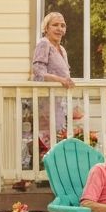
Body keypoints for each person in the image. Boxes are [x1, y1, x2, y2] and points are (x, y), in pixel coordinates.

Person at [31, 11, 75, 154]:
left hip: (59, 102)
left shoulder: (62, 49)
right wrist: (60, 80)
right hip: (46, 101)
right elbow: (38, 70)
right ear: (46, 28)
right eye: (55, 25)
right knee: (46, 139)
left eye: (62, 25)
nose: (59, 28)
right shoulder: (44, 44)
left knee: (59, 137)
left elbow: (64, 73)